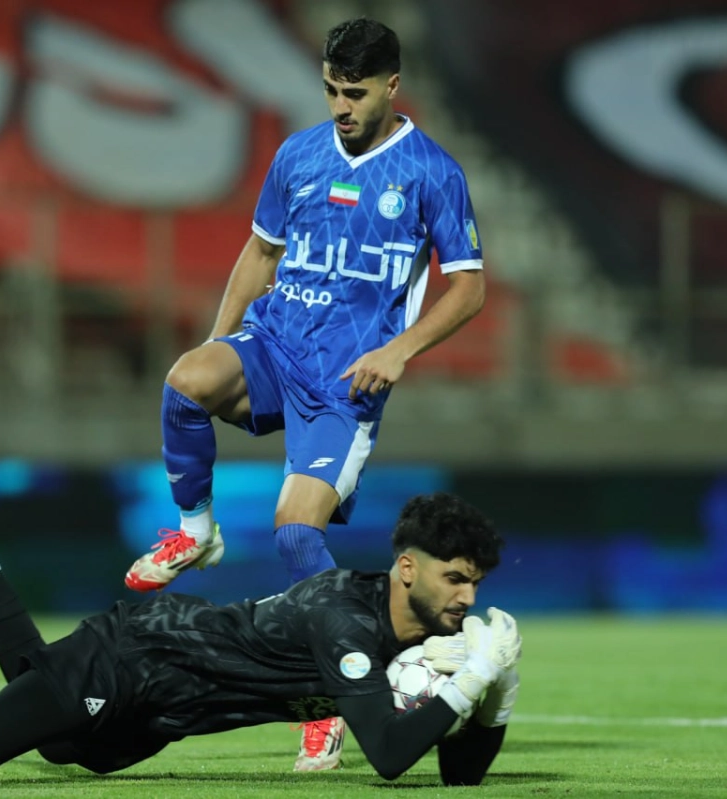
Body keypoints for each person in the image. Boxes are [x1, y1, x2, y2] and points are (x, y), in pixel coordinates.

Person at [122, 16, 488, 769]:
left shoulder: (431, 172)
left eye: (355, 93)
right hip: (276, 345)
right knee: (186, 381)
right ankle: (196, 530)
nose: (340, 106)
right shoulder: (299, 153)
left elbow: (469, 288)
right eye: (330, 90)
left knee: (295, 533)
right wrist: (220, 343)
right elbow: (261, 253)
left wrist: (399, 349)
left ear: (392, 85)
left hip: (345, 386)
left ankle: (329, 697)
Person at [0, 478, 521, 786]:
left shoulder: (411, 630)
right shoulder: (344, 618)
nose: (468, 596)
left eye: (476, 582)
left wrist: (496, 699)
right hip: (129, 658)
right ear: (408, 568)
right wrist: (471, 679)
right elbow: (389, 755)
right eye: (456, 577)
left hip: (158, 714)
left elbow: (458, 777)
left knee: (57, 740)